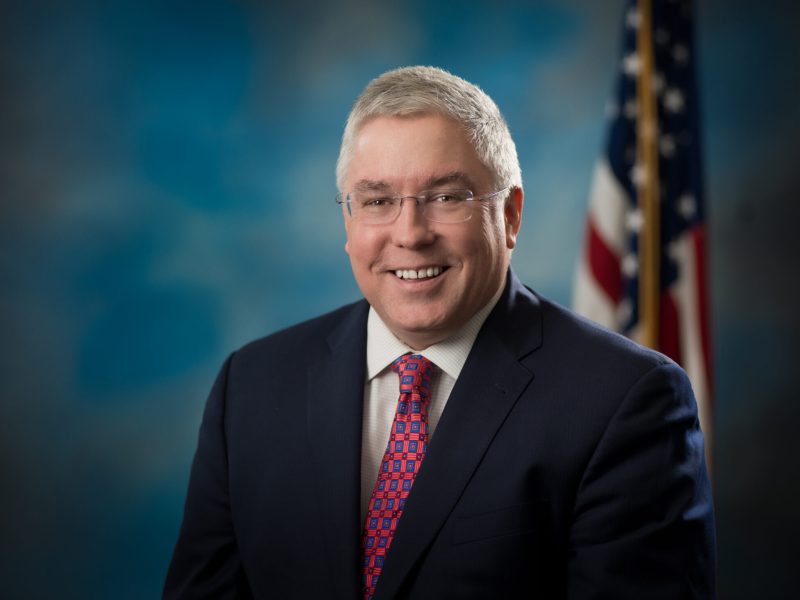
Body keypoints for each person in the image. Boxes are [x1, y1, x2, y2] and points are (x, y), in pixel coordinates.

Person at [163, 66, 716, 599]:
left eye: (446, 197)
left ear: (511, 216)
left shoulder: (625, 400)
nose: (410, 233)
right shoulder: (252, 387)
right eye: (378, 201)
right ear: (348, 222)